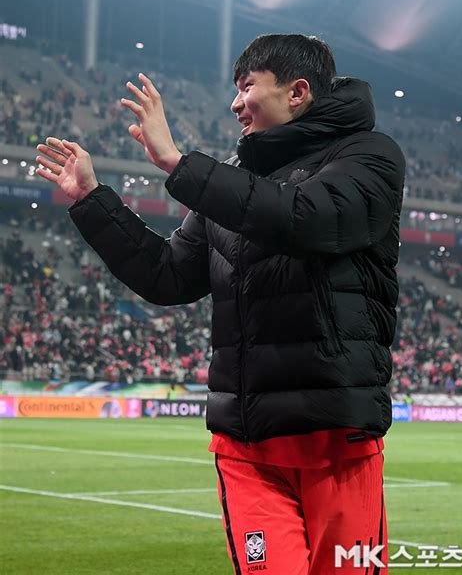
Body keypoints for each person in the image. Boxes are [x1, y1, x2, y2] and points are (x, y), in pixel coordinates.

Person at [36, 34, 405, 574]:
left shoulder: (369, 157)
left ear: (297, 91)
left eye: (247, 87)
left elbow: (307, 218)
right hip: (246, 445)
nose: (234, 104)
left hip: (337, 444)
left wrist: (179, 164)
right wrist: (93, 201)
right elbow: (166, 276)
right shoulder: (232, 182)